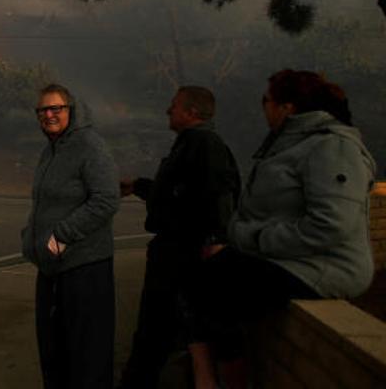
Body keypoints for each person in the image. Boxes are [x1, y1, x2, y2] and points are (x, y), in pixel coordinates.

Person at [187, 69, 377, 389]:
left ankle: (219, 382)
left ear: (287, 108)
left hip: (327, 266)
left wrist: (255, 240)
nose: (263, 108)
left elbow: (331, 225)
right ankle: (206, 378)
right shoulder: (290, 145)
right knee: (203, 275)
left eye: (266, 100)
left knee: (215, 283)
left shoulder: (332, 146)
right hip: (296, 259)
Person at [117, 86, 241, 389]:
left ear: (191, 112)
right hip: (172, 255)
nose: (168, 111)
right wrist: (139, 186)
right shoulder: (189, 144)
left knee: (156, 332)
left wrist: (215, 241)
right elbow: (178, 193)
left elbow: (218, 195)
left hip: (181, 257)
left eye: (174, 106)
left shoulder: (205, 144)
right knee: (158, 333)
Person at [21, 83, 120, 388]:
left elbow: (106, 199)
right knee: (54, 354)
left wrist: (60, 237)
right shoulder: (49, 151)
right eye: (43, 110)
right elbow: (44, 202)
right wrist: (30, 239)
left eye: (56, 109)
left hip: (85, 270)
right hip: (51, 270)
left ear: (71, 111)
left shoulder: (89, 145)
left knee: (87, 358)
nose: (48, 115)